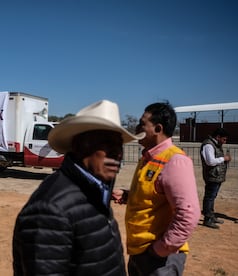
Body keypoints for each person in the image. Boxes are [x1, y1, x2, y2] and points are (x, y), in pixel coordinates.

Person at [12, 100, 144, 275]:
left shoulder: (96, 190)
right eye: (106, 143)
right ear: (80, 146)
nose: (117, 152)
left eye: (118, 144)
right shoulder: (50, 209)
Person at [112, 101, 201, 276]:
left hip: (159, 259)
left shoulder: (174, 161)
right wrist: (129, 195)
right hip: (140, 252)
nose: (137, 127)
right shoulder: (149, 157)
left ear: (158, 129)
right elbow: (155, 195)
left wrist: (161, 249)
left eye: (142, 123)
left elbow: (188, 213)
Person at [200, 127, 231, 229]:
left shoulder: (216, 144)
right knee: (209, 197)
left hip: (216, 176)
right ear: (218, 137)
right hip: (211, 176)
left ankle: (211, 215)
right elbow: (210, 161)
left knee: (212, 197)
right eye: (224, 139)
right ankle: (207, 218)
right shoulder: (208, 145)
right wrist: (224, 158)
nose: (225, 142)